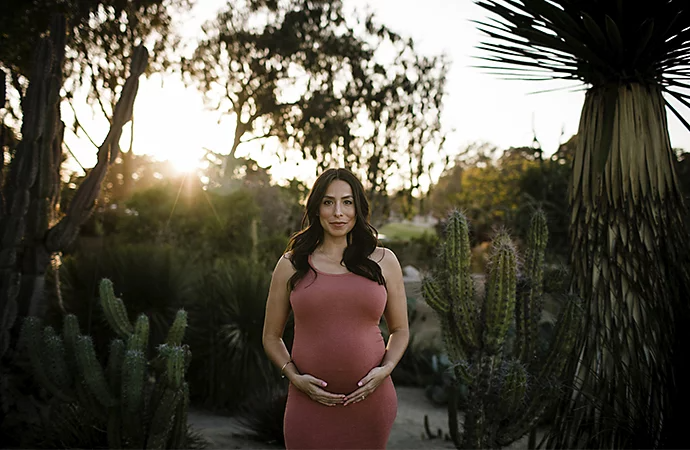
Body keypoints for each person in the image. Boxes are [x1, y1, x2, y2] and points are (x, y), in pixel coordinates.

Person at [262, 168, 409, 449]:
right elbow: (271, 336)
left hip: (370, 403)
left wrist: (386, 369)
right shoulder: (292, 264)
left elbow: (400, 330)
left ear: (359, 208)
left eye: (347, 202)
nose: (338, 212)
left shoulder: (384, 261)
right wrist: (294, 376)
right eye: (328, 202)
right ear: (316, 208)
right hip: (307, 404)